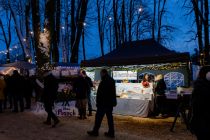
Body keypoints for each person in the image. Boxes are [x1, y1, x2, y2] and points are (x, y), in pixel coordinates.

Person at [87, 69, 117, 138]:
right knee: (110, 119)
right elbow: (113, 93)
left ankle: (95, 131)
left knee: (98, 118)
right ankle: (111, 133)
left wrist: (98, 102)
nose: (100, 75)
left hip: (103, 103)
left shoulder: (104, 81)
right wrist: (114, 102)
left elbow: (100, 93)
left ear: (103, 73)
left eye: (101, 73)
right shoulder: (111, 80)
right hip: (109, 103)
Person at [190, 66, 210, 140]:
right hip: (203, 121)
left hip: (201, 121)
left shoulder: (200, 85)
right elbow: (197, 106)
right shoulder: (201, 86)